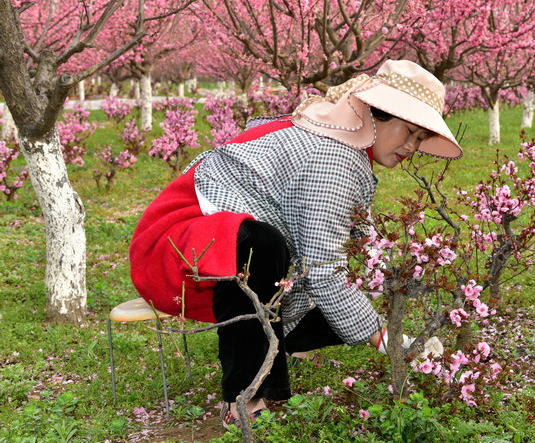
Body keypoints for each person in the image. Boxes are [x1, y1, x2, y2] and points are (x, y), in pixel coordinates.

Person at [128, 59, 462, 429]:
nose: (412, 146)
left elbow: (346, 236)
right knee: (261, 246)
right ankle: (244, 397)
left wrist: (394, 286)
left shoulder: (345, 137)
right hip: (175, 247)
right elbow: (322, 270)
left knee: (337, 295)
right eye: (409, 131)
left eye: (420, 137)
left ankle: (282, 345)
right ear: (380, 114)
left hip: (212, 249)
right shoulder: (335, 156)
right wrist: (388, 339)